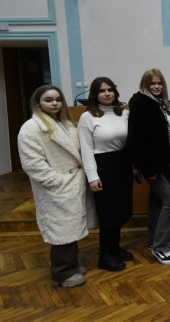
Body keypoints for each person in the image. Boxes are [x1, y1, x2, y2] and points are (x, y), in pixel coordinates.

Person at [18, 85, 98, 287]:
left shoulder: (67, 123)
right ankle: (61, 273)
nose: (54, 103)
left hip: (73, 185)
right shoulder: (31, 128)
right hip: (56, 189)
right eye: (48, 100)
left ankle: (71, 264)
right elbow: (32, 164)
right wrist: (56, 182)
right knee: (61, 231)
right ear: (38, 103)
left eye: (58, 99)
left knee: (71, 228)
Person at [78, 77, 134, 272]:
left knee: (121, 209)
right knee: (108, 212)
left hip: (123, 164)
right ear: (95, 94)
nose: (107, 94)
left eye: (110, 90)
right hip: (104, 167)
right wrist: (92, 177)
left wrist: (134, 168)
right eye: (102, 91)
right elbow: (86, 149)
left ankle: (115, 247)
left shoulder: (124, 113)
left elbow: (131, 143)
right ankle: (105, 255)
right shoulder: (87, 117)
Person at [128, 69, 170, 265]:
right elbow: (138, 140)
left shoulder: (162, 103)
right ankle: (160, 248)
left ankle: (153, 241)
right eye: (152, 84)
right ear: (145, 85)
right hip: (153, 165)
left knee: (156, 202)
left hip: (165, 161)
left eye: (159, 83)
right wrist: (149, 169)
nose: (156, 87)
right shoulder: (142, 103)